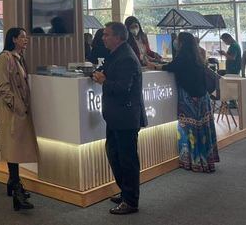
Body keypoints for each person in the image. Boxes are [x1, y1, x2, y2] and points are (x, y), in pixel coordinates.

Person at [92, 22, 146, 215]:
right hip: (116, 116)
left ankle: (131, 201)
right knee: (115, 154)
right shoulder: (116, 55)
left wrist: (104, 81)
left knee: (127, 159)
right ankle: (125, 192)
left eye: (107, 35)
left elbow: (123, 88)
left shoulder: (126, 58)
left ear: (118, 37)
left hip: (125, 116)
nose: (103, 38)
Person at [157, 32, 219, 172]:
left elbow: (169, 67)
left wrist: (153, 65)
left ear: (181, 43)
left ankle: (194, 161)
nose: (175, 42)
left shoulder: (182, 57)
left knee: (189, 130)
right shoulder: (198, 55)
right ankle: (206, 161)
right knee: (203, 129)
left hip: (189, 98)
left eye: (177, 40)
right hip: (202, 97)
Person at [0, 27, 37, 211]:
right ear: (13, 39)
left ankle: (13, 183)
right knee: (13, 146)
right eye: (22, 37)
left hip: (19, 109)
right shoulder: (5, 58)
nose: (25, 40)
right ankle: (17, 189)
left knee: (17, 146)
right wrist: (16, 105)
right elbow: (3, 85)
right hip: (11, 110)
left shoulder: (20, 58)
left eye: (26, 37)